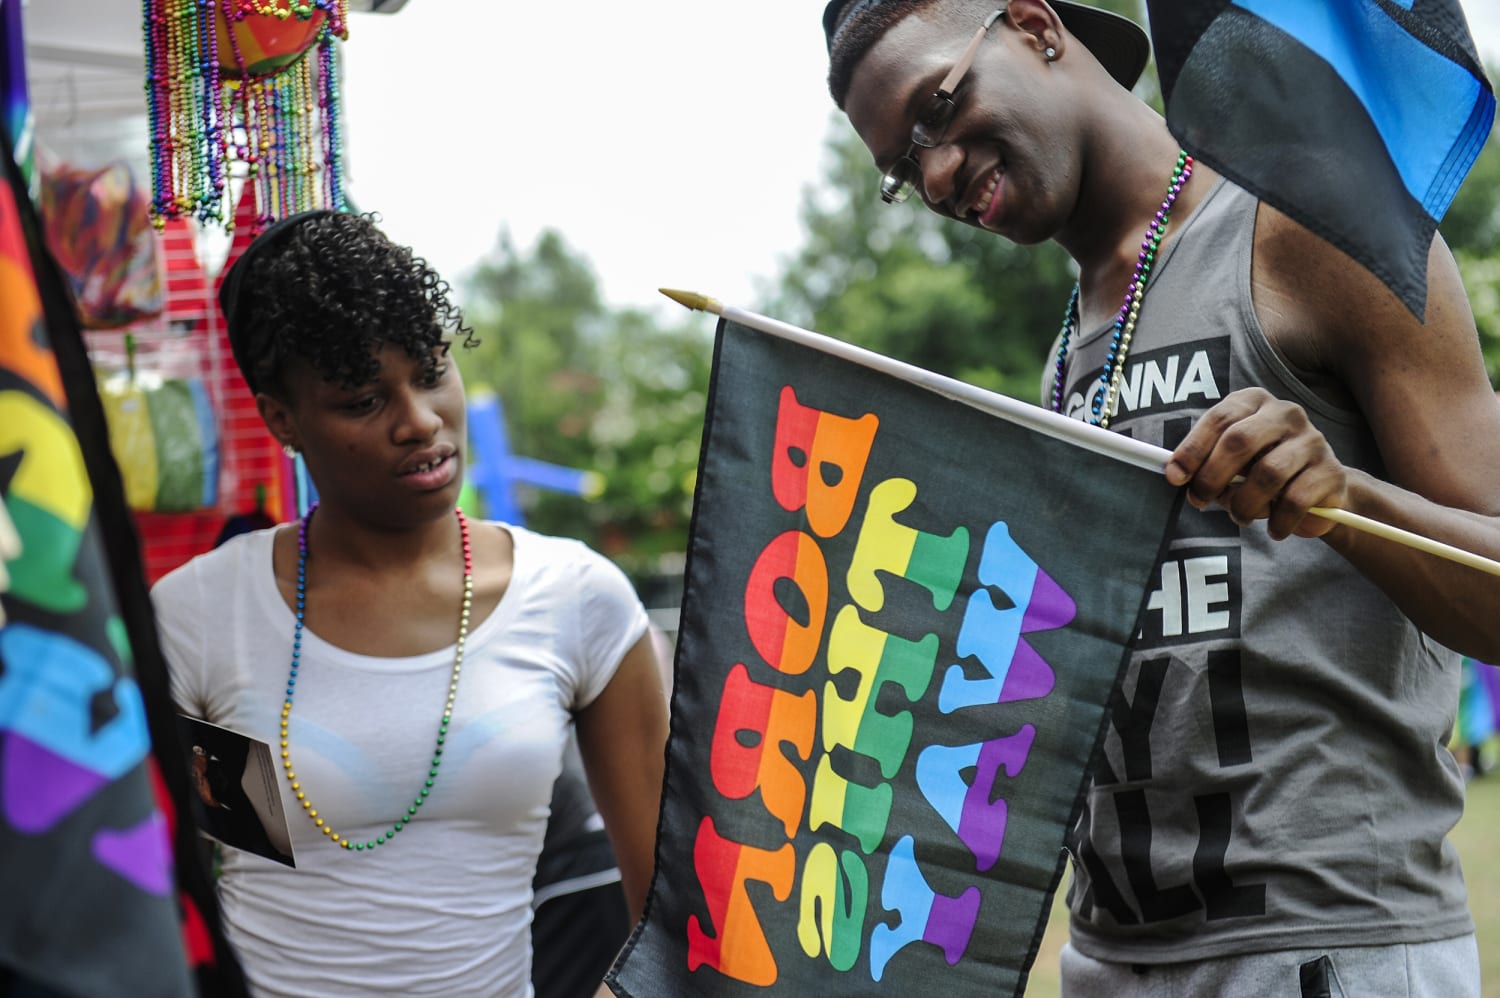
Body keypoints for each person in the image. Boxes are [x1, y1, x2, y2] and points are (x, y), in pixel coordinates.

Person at [820, 0, 1500, 994]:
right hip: (1112, 956)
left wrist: (1344, 495)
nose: (930, 174)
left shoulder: (1302, 224)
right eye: (897, 165)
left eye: (937, 108)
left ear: (1033, 24)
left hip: (1317, 946)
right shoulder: (1069, 350)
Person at [151, 210, 668, 997]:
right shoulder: (205, 616)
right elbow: (159, 889)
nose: (420, 421)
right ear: (280, 419)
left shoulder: (574, 599)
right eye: (363, 400)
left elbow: (668, 913)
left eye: (431, 371)